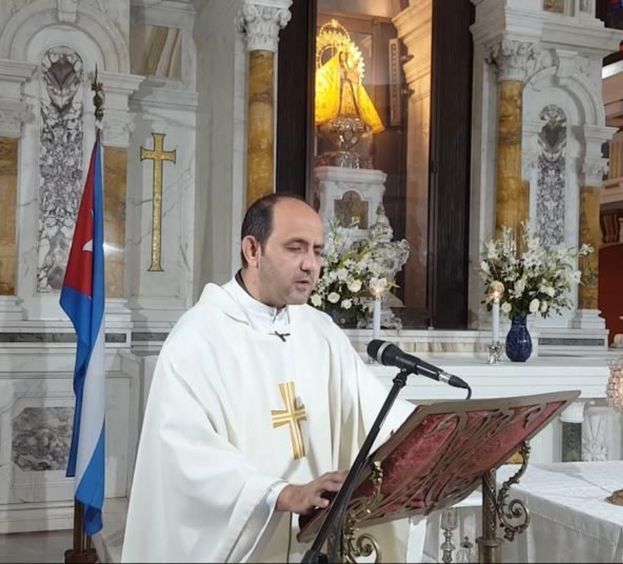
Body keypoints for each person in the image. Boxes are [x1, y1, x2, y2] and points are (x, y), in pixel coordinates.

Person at [122, 194, 415, 562]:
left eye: (318, 251)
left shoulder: (318, 329)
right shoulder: (199, 338)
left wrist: (438, 436)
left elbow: (372, 409)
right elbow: (186, 454)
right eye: (296, 248)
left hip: (318, 541)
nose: (311, 265)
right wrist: (281, 493)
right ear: (252, 250)